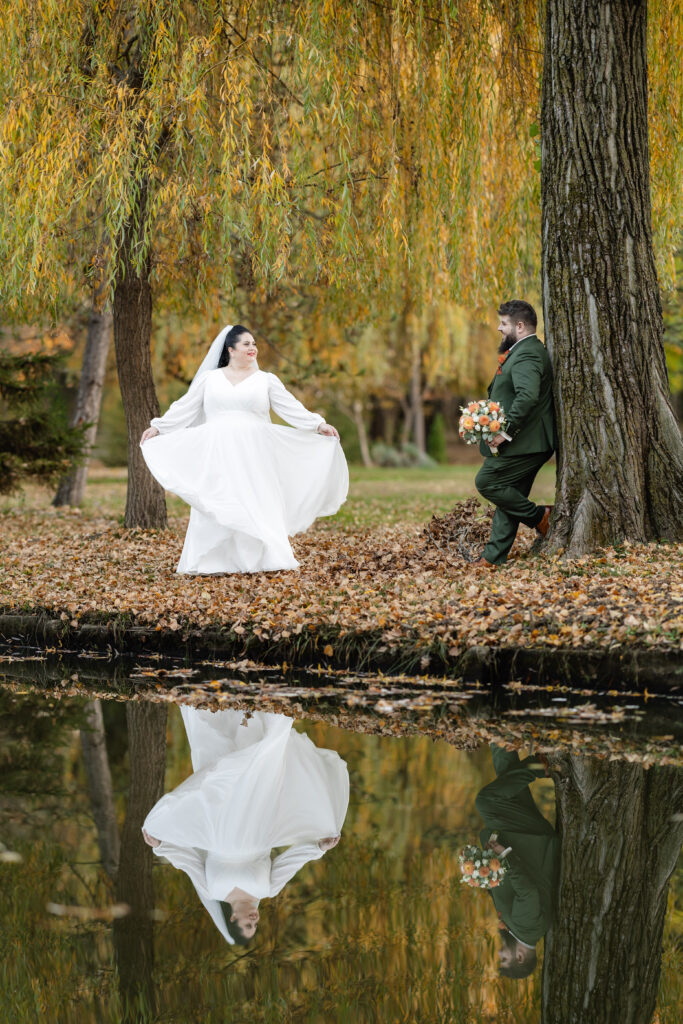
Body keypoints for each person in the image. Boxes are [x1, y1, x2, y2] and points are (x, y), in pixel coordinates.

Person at [140, 324, 348, 574]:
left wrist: (317, 424)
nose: (253, 348)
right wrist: (159, 427)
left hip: (254, 452)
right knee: (219, 494)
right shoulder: (210, 380)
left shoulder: (266, 380)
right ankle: (212, 561)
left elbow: (290, 407)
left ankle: (260, 559)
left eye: (254, 344)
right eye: (246, 344)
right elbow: (185, 406)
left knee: (255, 496)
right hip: (218, 449)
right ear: (231, 349)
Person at [141, 705, 349, 946]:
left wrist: (162, 846)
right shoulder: (267, 889)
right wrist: (318, 847)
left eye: (248, 925)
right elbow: (292, 862)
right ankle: (257, 710)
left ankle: (220, 705)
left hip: (219, 821)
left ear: (232, 919)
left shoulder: (211, 890)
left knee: (219, 765)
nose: (255, 920)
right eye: (256, 925)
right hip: (257, 819)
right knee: (258, 767)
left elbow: (188, 863)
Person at [473, 300, 556, 566]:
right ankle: (492, 558)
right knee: (510, 498)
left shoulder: (528, 353)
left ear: (520, 326)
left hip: (528, 442)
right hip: (526, 443)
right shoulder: (522, 350)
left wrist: (505, 430)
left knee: (487, 481)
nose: (499, 328)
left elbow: (527, 396)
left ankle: (541, 516)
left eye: (504, 323)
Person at [475, 744, 559, 979]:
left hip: (521, 840)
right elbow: (527, 891)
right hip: (529, 840)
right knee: (486, 801)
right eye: (505, 958)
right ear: (520, 957)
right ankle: (541, 765)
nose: (500, 952)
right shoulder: (528, 928)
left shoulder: (519, 929)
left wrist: (485, 874)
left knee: (508, 776)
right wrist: (505, 855)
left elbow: (510, 890)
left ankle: (500, 735)